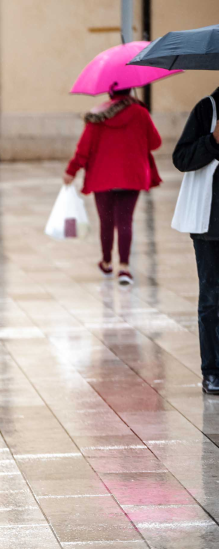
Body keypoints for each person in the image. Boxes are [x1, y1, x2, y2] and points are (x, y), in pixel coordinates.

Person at [64, 88, 161, 286]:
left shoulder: (98, 115)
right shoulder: (140, 113)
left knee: (106, 221)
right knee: (125, 221)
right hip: (131, 175)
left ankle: (107, 262)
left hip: (102, 176)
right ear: (131, 89)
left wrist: (71, 171)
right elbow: (155, 142)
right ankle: (124, 268)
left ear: (110, 93)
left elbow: (84, 149)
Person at [172, 86, 219, 395]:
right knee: (213, 297)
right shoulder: (208, 109)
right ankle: (213, 371)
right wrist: (213, 141)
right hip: (211, 222)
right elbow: (182, 158)